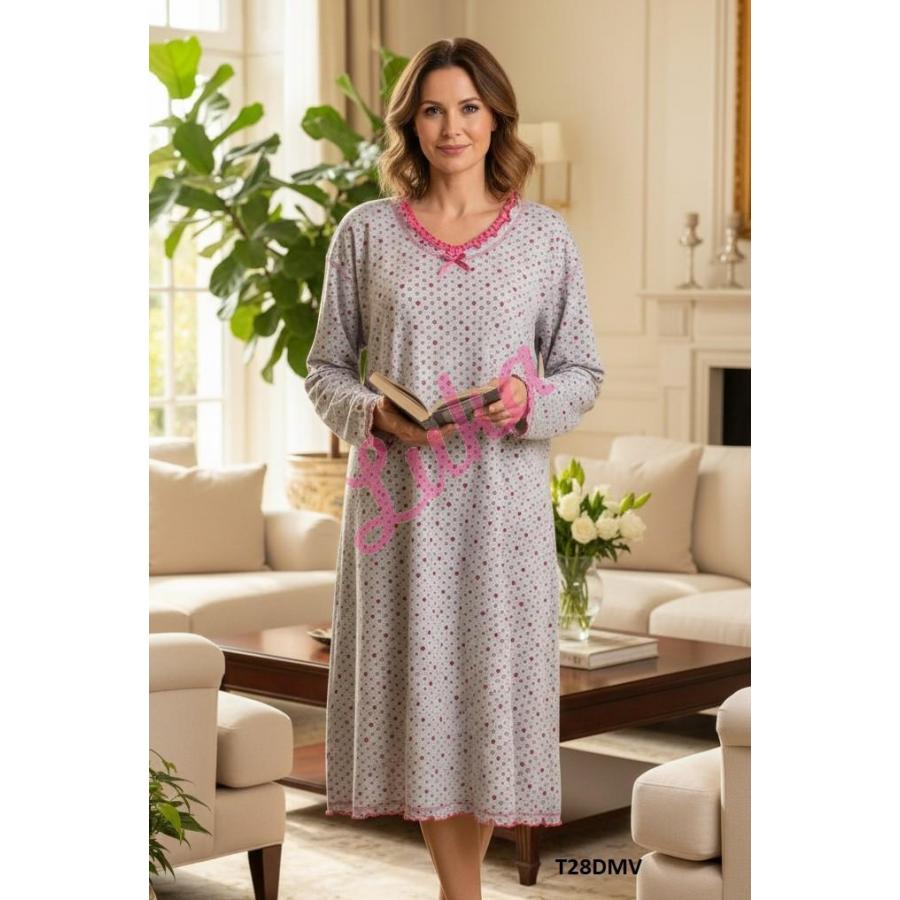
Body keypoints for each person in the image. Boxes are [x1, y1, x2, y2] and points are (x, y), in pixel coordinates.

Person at [303, 36, 605, 900]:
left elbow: (582, 372)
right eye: (433, 110)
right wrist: (374, 414)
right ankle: (461, 890)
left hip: (503, 511)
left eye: (468, 108)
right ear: (412, 123)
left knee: (484, 702)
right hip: (400, 510)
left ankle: (457, 892)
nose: (452, 127)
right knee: (426, 704)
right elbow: (326, 371)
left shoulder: (544, 238)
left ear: (496, 116)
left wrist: (526, 399)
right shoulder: (366, 234)